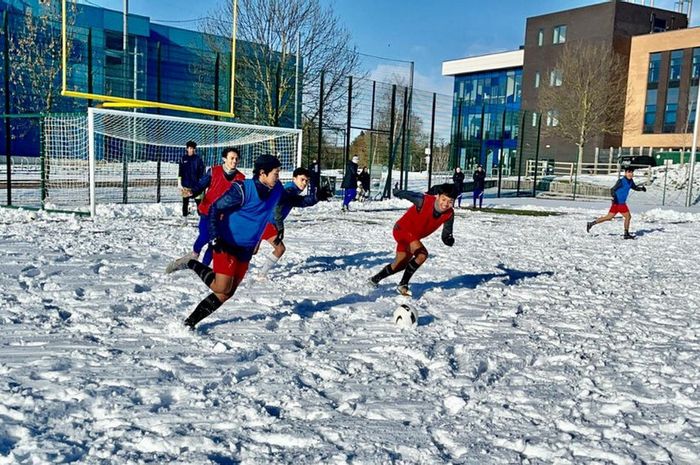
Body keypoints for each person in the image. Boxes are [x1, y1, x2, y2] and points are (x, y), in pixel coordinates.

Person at [177, 154, 284, 329]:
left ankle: (190, 322)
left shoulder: (276, 188)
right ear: (262, 173)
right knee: (222, 287)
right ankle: (191, 263)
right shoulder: (242, 189)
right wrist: (213, 238)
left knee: (227, 293)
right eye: (276, 173)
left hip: (246, 249)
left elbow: (291, 199)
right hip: (226, 242)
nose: (278, 177)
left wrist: (315, 197)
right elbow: (215, 208)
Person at [165, 147, 245, 273]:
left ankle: (203, 268)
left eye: (236, 159)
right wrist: (191, 192)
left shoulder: (241, 178)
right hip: (207, 211)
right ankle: (194, 254)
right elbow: (200, 186)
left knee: (214, 244)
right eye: (232, 158)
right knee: (205, 236)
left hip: (224, 217)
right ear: (224, 159)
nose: (234, 161)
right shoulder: (213, 171)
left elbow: (241, 199)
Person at [369, 183, 457, 296]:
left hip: (413, 237)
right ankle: (403, 284)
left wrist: (448, 239)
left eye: (450, 201)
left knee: (400, 265)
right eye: (443, 199)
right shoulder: (423, 201)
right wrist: (397, 192)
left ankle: (374, 279)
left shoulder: (449, 214)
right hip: (401, 230)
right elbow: (409, 195)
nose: (445, 204)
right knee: (422, 255)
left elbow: (446, 233)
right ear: (437, 196)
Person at [256, 168, 333, 278]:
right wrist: (280, 227)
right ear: (294, 178)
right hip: (267, 223)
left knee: (254, 251)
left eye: (306, 181)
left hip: (264, 222)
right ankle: (261, 274)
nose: (304, 183)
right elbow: (278, 208)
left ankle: (257, 272)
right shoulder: (289, 190)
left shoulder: (292, 190)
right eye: (302, 180)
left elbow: (300, 201)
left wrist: (316, 197)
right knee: (279, 249)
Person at [587, 166, 646, 239]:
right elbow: (612, 190)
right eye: (628, 172)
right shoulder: (621, 181)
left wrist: (641, 189)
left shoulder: (631, 181)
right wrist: (615, 198)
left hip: (618, 204)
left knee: (608, 217)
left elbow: (634, 187)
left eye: (631, 172)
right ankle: (626, 234)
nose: (630, 174)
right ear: (625, 173)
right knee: (628, 217)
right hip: (619, 203)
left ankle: (591, 223)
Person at [178, 140, 205, 217]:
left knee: (199, 203)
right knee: (185, 203)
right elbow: (180, 171)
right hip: (185, 185)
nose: (191, 150)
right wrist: (179, 183)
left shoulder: (198, 159)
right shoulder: (183, 158)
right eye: (190, 148)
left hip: (196, 186)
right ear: (187, 149)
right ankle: (185, 220)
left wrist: (201, 183)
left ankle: (201, 220)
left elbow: (201, 171)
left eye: (193, 148)